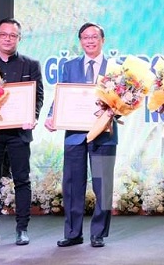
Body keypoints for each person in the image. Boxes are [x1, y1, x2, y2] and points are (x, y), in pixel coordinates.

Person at [44, 22, 116, 248]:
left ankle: (98, 233)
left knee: (103, 184)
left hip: (104, 134)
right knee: (72, 184)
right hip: (74, 133)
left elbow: (124, 99)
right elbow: (61, 95)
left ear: (102, 40)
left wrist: (115, 109)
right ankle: (73, 233)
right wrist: (52, 115)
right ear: (80, 41)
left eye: (94, 37)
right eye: (85, 37)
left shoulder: (115, 68)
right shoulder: (70, 66)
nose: (90, 41)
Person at [0, 18, 43, 246]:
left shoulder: (30, 65)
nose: (7, 39)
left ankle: (22, 229)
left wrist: (33, 116)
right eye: (3, 34)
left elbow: (38, 96)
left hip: (19, 133)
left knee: (22, 180)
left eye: (12, 35)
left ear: (19, 38)